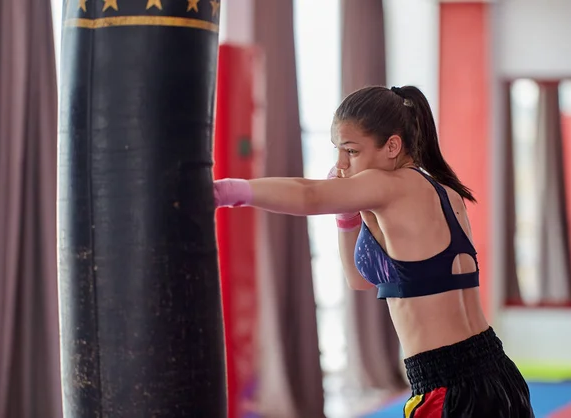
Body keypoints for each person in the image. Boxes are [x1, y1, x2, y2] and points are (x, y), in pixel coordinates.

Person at [213, 85, 534, 417]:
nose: (340, 163)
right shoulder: (441, 192)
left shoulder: (390, 187)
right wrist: (346, 216)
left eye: (351, 151)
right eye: (337, 150)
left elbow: (309, 194)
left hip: (450, 389)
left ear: (392, 146)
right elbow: (359, 279)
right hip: (495, 374)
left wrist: (227, 192)